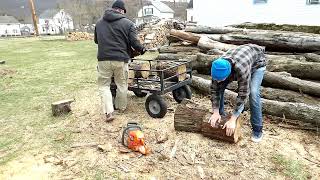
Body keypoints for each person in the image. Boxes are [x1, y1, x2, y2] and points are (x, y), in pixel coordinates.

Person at [94, 0, 146, 122]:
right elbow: (134, 42)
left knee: (104, 85)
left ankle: (109, 112)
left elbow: (96, 41)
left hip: (103, 59)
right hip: (121, 59)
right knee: (122, 84)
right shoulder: (128, 24)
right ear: (122, 11)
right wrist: (142, 49)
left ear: (112, 9)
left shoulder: (99, 23)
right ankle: (121, 108)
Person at [208, 44, 267, 142]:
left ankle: (258, 129)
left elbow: (243, 93)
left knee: (253, 92)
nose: (217, 81)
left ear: (229, 73)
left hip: (257, 64)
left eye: (221, 79)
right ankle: (221, 116)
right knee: (219, 87)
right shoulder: (218, 66)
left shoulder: (241, 69)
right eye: (216, 79)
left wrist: (233, 118)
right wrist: (215, 111)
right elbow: (215, 89)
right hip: (241, 59)